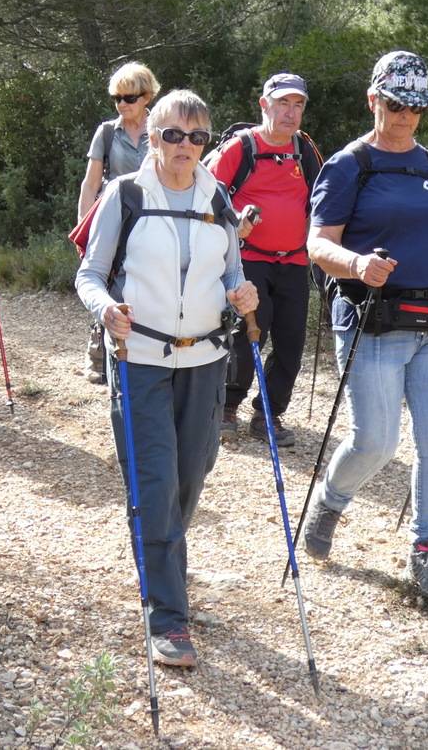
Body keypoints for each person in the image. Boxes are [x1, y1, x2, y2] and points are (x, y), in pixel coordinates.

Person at [301, 51, 428, 601]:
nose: (405, 116)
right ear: (373, 100)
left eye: (415, 107)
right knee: (377, 442)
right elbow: (318, 243)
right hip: (371, 320)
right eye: (395, 104)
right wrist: (358, 265)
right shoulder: (348, 165)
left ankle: (427, 550)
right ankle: (330, 503)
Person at [76, 89, 258, 667]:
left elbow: (232, 269)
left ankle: (160, 559)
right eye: (173, 134)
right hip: (139, 357)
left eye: (197, 136)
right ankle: (168, 615)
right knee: (155, 482)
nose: (185, 146)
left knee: (192, 470)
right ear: (151, 136)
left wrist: (242, 292)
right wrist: (105, 309)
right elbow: (90, 273)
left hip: (204, 359)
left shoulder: (217, 197)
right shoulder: (124, 194)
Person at [207, 73, 318, 446]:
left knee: (290, 342)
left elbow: (320, 202)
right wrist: (234, 224)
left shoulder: (305, 150)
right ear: (264, 105)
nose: (290, 113)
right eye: (283, 103)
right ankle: (227, 408)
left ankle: (268, 413)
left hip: (294, 261)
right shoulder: (241, 148)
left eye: (298, 104)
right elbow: (204, 195)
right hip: (246, 258)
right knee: (246, 334)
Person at [77, 62, 161, 385]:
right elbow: (91, 182)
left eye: (130, 97)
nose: (123, 104)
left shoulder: (162, 128)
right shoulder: (107, 132)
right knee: (108, 282)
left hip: (155, 218)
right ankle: (98, 350)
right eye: (118, 98)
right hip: (117, 217)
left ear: (147, 96)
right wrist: (85, 229)